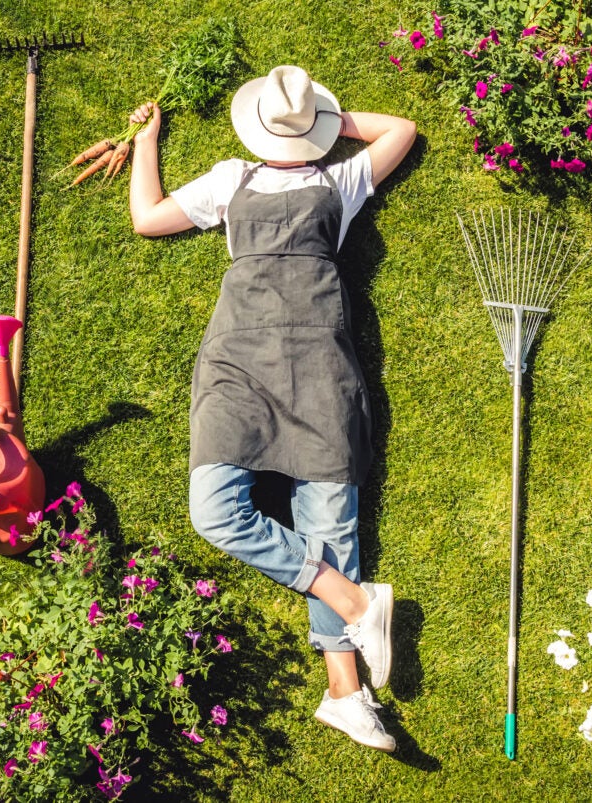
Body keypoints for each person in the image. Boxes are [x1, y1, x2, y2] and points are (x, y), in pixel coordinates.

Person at [128, 65, 416, 752]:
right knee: (214, 510)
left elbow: (403, 131)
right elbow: (148, 219)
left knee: (330, 520)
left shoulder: (338, 183)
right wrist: (148, 140)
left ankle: (345, 691)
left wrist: (319, 126)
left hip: (320, 359)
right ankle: (353, 601)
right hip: (240, 363)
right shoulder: (234, 178)